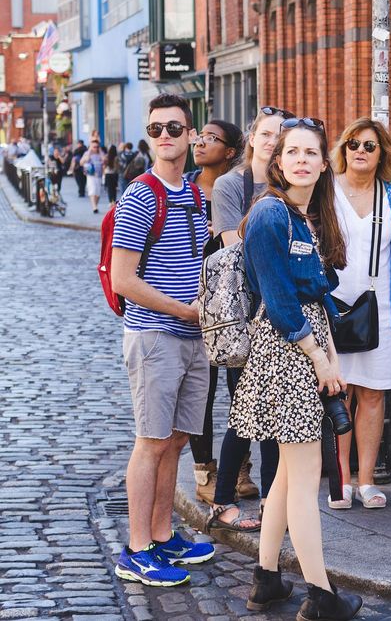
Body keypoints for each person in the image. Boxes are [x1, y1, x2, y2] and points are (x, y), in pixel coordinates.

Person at [231, 116, 362, 619]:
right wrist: (319, 359)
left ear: (324, 164)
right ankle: (321, 594)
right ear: (277, 162)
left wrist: (328, 356)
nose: (302, 160)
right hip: (288, 352)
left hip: (303, 349)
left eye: (311, 153)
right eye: (293, 152)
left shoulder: (301, 217)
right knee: (306, 480)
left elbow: (313, 298)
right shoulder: (269, 215)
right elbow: (281, 301)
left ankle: (266, 578)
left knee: (288, 473)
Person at [110, 93, 214, 586]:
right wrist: (184, 311)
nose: (166, 136)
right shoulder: (140, 195)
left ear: (192, 135)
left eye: (175, 127)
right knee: (151, 443)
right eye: (156, 129)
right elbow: (123, 281)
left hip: (193, 337)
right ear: (149, 136)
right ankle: (135, 550)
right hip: (155, 336)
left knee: (176, 440)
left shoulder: (193, 194)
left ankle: (162, 534)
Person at [206, 106, 294, 532]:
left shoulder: (293, 183)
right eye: (266, 132)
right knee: (245, 412)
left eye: (281, 134)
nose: (272, 139)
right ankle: (224, 497)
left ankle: (273, 504)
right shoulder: (231, 185)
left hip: (286, 310)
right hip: (248, 313)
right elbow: (233, 246)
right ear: (252, 137)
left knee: (278, 417)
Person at [323, 118, 391, 510]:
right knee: (339, 393)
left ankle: (366, 480)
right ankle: (340, 479)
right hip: (333, 306)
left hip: (381, 308)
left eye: (369, 146)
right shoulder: (326, 193)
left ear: (382, 153)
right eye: (353, 143)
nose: (360, 150)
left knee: (373, 395)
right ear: (343, 149)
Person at [183, 119, 244, 508]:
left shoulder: (240, 188)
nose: (201, 143)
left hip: (237, 303)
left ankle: (241, 467)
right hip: (195, 304)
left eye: (212, 139)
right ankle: (205, 470)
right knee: (200, 395)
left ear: (231, 151)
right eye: (200, 136)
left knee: (241, 388)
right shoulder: (184, 189)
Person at [84, 139, 105, 212]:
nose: (95, 148)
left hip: (99, 175)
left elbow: (104, 160)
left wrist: (100, 151)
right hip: (91, 175)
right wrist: (89, 151)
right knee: (92, 191)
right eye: (94, 147)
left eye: (97, 147)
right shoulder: (87, 153)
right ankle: (94, 207)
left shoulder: (100, 153)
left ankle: (95, 205)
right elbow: (85, 160)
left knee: (98, 193)